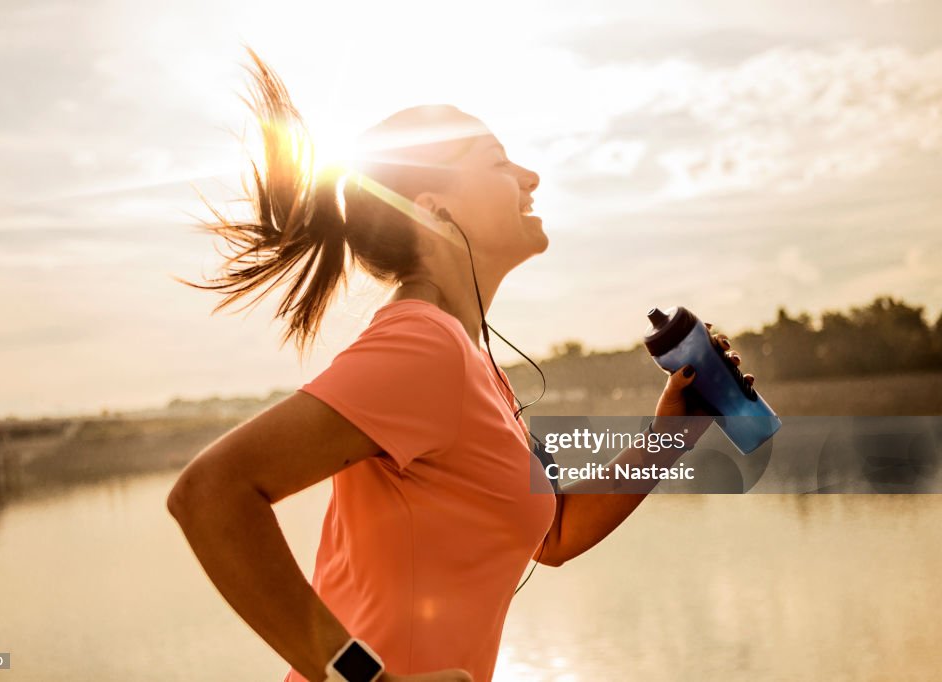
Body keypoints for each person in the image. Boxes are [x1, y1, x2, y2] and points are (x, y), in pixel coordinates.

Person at [166, 48, 754, 682]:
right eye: (499, 163)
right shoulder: (423, 348)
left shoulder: (468, 358)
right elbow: (211, 493)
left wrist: (672, 433)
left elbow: (551, 536)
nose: (530, 177)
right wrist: (361, 679)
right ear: (433, 207)